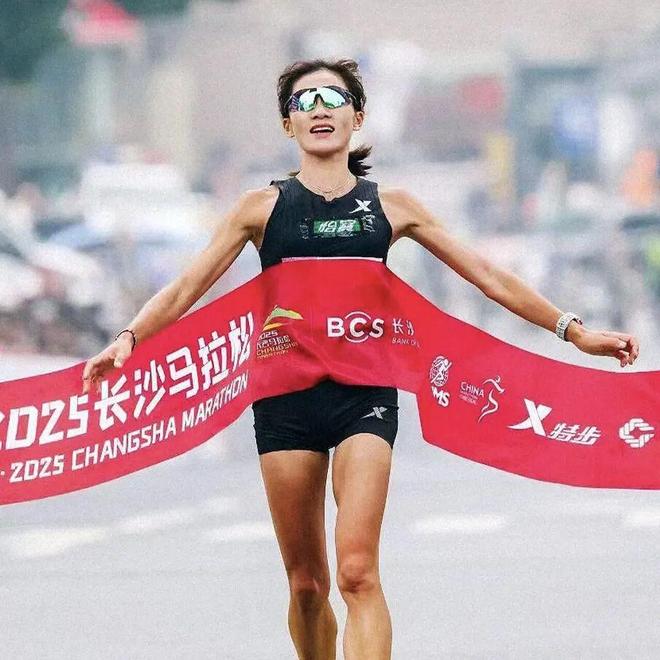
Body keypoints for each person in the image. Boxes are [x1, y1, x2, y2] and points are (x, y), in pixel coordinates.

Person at [82, 58, 640, 660]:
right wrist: (129, 338)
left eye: (333, 97)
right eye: (304, 101)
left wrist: (573, 331)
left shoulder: (393, 206)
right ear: (288, 124)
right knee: (306, 585)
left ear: (357, 117)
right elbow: (186, 287)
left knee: (357, 571)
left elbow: (488, 275)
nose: (320, 109)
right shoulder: (259, 209)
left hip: (365, 397)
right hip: (286, 400)